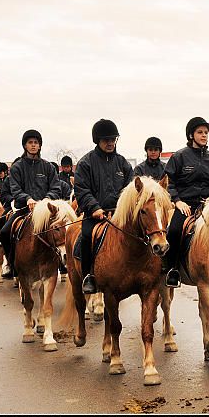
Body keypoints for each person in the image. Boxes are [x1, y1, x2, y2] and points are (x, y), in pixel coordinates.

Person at [163, 119, 209, 288]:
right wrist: (177, 201)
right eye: (200, 132)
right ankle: (172, 270)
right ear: (191, 135)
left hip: (208, 205)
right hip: (185, 205)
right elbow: (169, 183)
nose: (204, 135)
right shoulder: (179, 157)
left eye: (206, 132)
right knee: (174, 231)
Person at [75, 119, 134, 294]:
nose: (110, 143)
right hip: (95, 215)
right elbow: (81, 189)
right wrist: (94, 208)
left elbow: (130, 189)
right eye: (106, 139)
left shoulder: (123, 163)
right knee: (86, 237)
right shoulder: (86, 163)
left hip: (119, 215)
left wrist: (122, 210)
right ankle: (88, 276)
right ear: (97, 140)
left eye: (113, 139)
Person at [0, 130, 61, 278]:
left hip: (47, 210)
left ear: (40, 146)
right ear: (25, 145)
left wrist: (46, 199)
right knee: (4, 232)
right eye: (30, 142)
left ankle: (62, 261)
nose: (33, 145)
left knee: (65, 229)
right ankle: (11, 263)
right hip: (24, 209)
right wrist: (27, 198)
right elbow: (15, 189)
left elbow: (56, 188)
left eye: (36, 143)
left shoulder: (48, 167)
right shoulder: (17, 167)